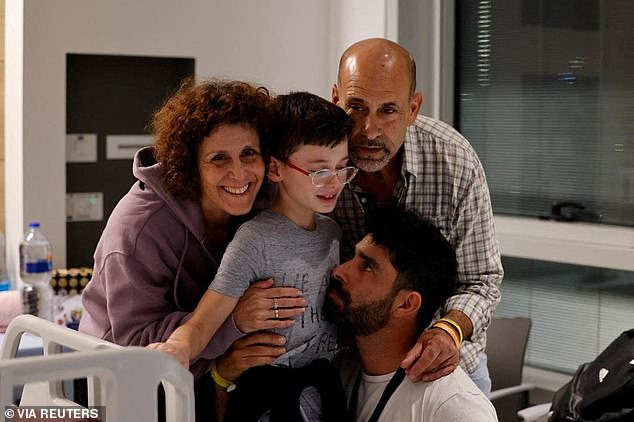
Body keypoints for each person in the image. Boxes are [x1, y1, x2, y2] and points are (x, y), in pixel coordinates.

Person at [79, 79, 306, 421]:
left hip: (210, 370)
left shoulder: (266, 203)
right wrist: (234, 320)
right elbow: (136, 344)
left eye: (249, 154)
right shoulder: (138, 229)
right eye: (219, 158)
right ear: (191, 166)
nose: (239, 173)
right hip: (124, 379)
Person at [148, 91, 357, 422]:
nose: (334, 183)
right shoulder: (255, 240)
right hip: (269, 402)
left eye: (343, 168)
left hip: (324, 394)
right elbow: (204, 321)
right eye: (319, 172)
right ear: (275, 169)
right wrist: (178, 348)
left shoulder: (332, 232)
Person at [330, 37, 503, 393]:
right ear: (335, 100)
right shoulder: (314, 162)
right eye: (356, 107)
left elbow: (481, 281)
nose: (369, 130)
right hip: (351, 367)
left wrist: (447, 331)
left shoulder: (453, 161)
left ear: (413, 108)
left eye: (388, 110)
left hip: (446, 368)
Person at [327, 204, 498, 422]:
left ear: (406, 304)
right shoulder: (340, 371)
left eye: (366, 266)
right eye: (353, 258)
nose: (339, 271)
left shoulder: (454, 406)